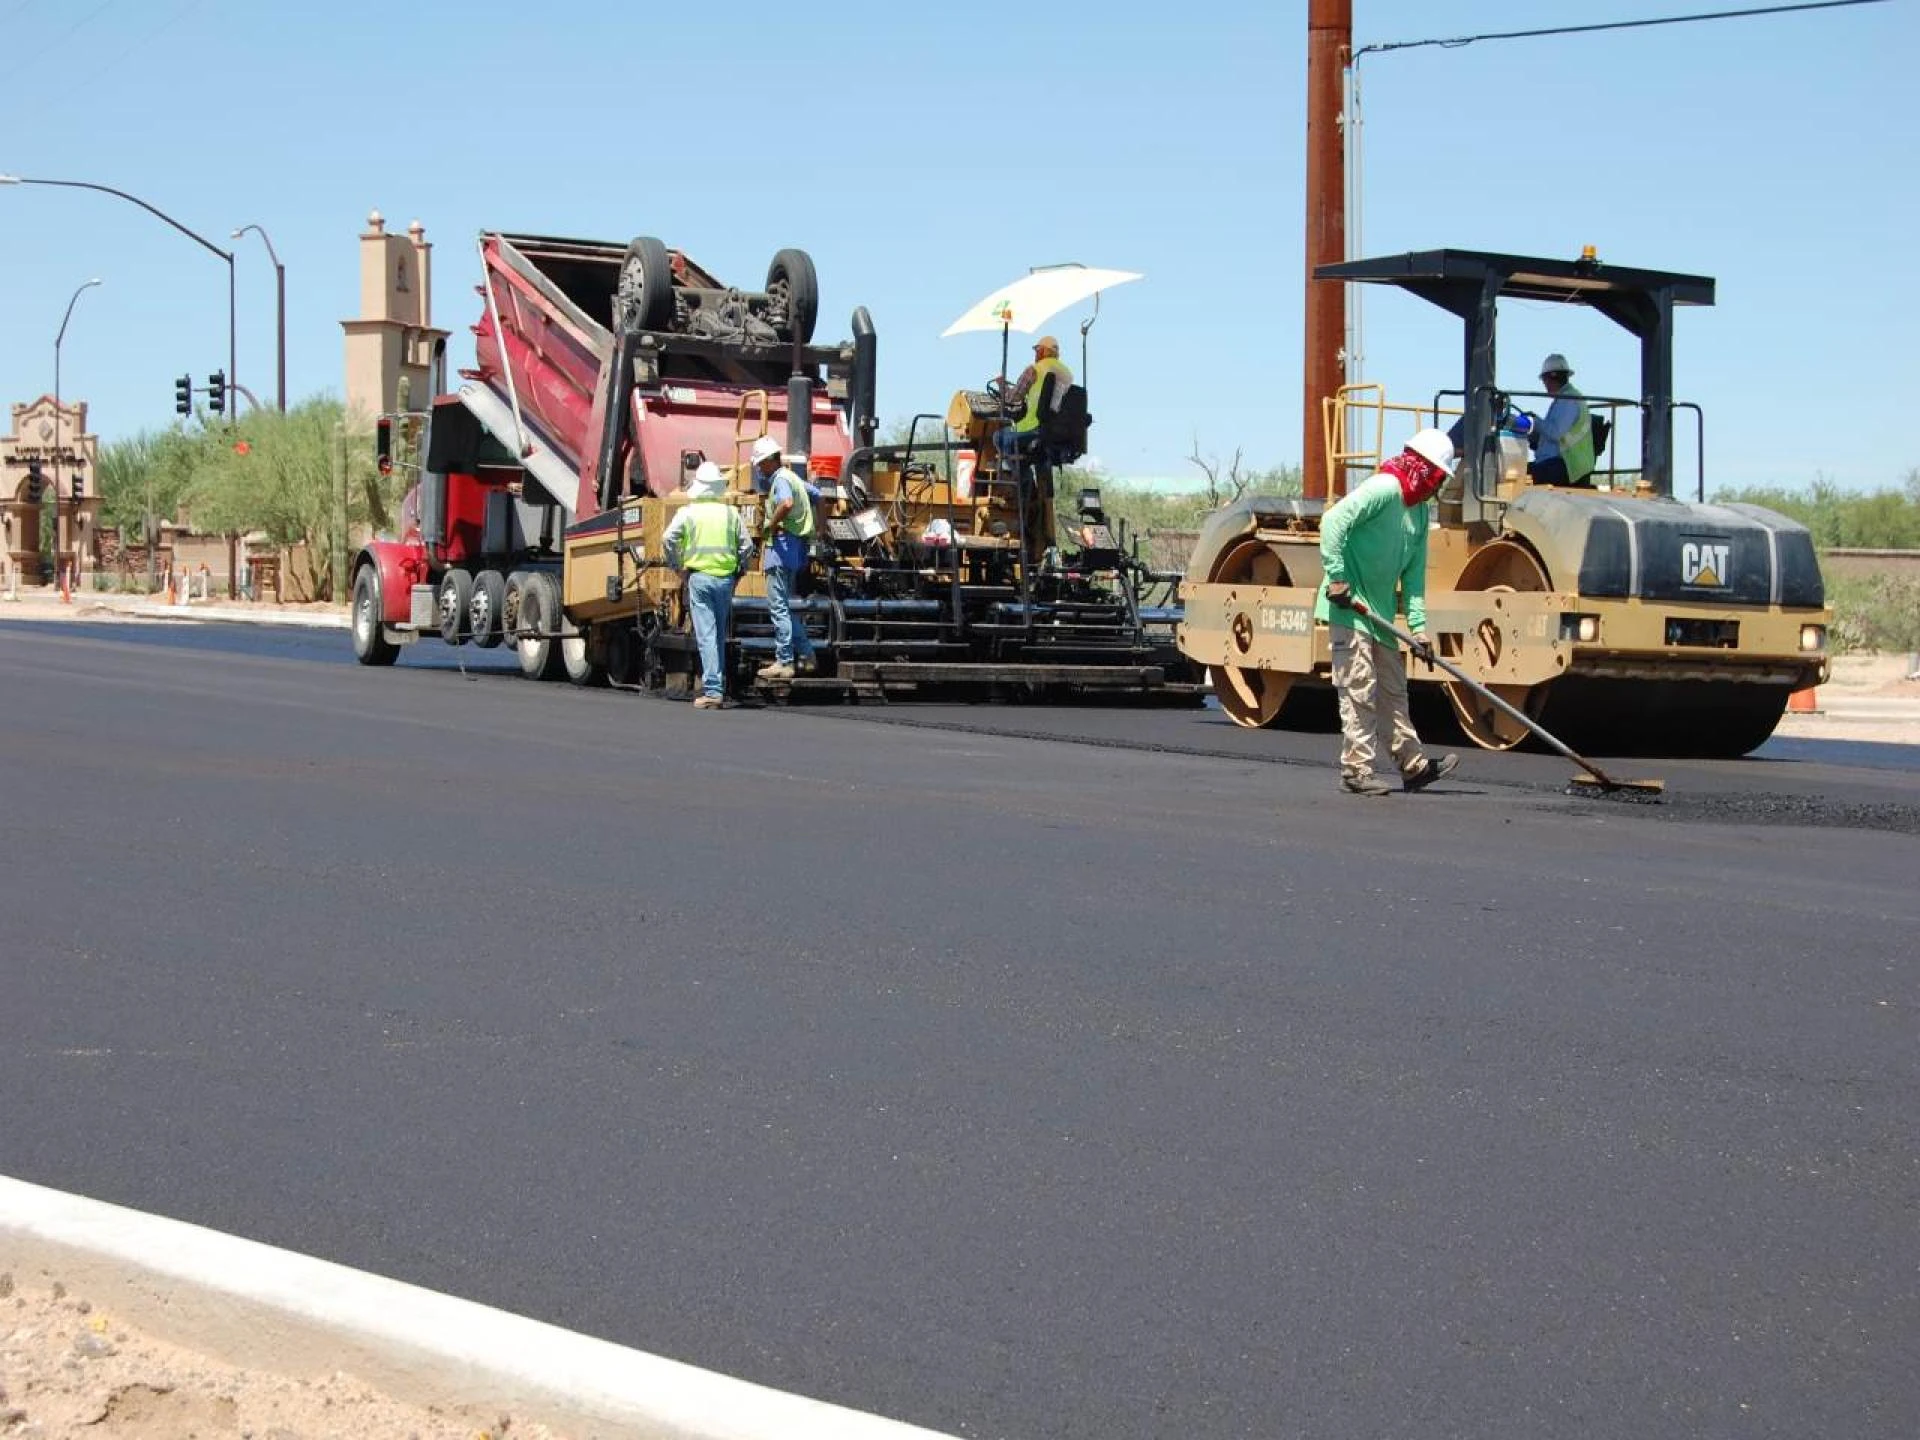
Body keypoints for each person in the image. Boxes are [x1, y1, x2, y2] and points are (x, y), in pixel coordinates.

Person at [1314, 428, 1462, 797]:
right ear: (1424, 469)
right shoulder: (1383, 489)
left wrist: (1419, 630)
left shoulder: (1420, 513)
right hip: (1348, 604)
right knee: (1359, 688)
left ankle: (1413, 767)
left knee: (1394, 691)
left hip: (1378, 614)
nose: (1439, 484)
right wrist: (1336, 578)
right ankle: (1356, 770)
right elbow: (1333, 522)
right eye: (1439, 476)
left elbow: (1413, 580)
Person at [661, 460, 752, 710]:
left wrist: (676, 566)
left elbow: (668, 539)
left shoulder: (688, 513)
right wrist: (739, 572)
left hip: (699, 578)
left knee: (707, 636)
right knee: (718, 635)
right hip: (725, 580)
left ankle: (713, 691)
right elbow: (747, 547)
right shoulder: (730, 513)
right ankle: (717, 686)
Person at [747, 435, 818, 680]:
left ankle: (785, 661)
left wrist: (769, 524)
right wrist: (823, 527)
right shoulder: (794, 478)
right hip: (795, 549)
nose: (758, 468)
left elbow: (786, 503)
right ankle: (807, 655)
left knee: (778, 607)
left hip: (780, 549)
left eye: (760, 463)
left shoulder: (780, 481)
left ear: (769, 461)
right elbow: (818, 495)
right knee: (785, 607)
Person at [993, 334, 1074, 464]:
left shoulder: (1034, 369)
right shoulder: (1067, 373)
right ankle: (1032, 478)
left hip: (1033, 427)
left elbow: (1012, 398)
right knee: (1035, 451)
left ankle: (1018, 478)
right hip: (1056, 431)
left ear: (1043, 351)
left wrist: (1001, 384)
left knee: (999, 436)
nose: (1036, 354)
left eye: (1038, 350)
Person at [1520, 353, 1595, 487]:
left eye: (1544, 381)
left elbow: (1556, 432)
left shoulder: (1569, 400)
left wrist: (1534, 421)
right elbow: (1554, 434)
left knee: (1516, 475)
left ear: (1551, 378)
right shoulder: (1564, 400)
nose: (1545, 385)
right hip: (1562, 463)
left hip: (1568, 466)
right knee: (1520, 471)